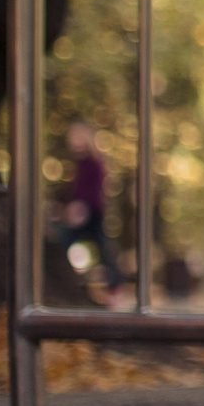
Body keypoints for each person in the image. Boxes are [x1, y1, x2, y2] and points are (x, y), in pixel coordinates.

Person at [59, 120, 124, 294]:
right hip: (82, 212)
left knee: (102, 249)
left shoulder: (93, 163)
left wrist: (81, 207)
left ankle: (116, 286)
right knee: (67, 242)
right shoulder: (79, 164)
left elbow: (93, 191)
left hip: (91, 213)